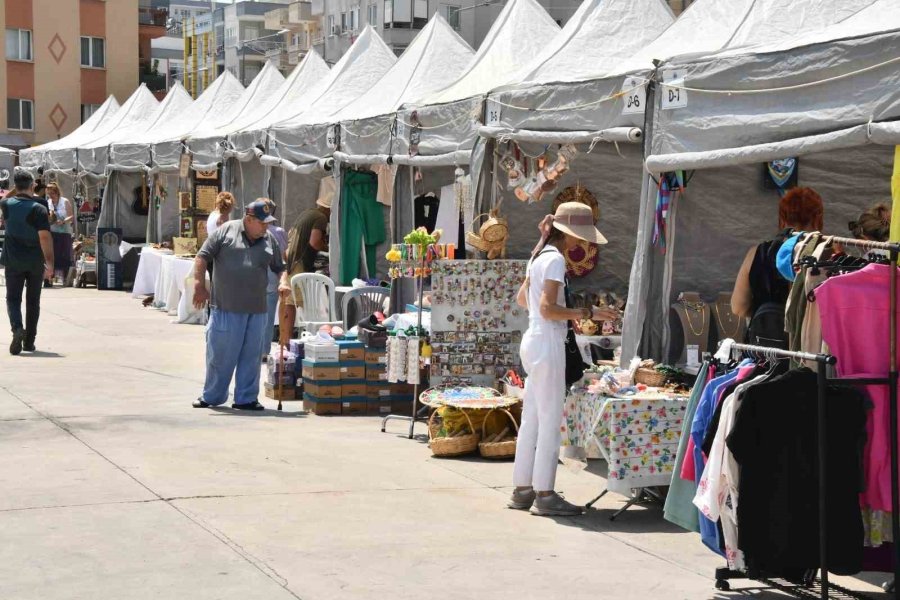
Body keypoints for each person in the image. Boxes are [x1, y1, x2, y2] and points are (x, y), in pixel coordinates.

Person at [509, 202, 617, 516]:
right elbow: (546, 308)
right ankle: (544, 494)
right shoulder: (554, 259)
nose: (582, 242)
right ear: (568, 233)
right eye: (580, 235)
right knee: (549, 419)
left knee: (532, 418)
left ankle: (523, 489)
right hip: (547, 341)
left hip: (533, 340)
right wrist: (586, 313)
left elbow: (522, 300)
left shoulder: (539, 256)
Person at [191, 200, 287, 411]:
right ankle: (212, 396)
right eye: (262, 223)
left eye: (268, 223)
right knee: (221, 355)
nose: (266, 227)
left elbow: (281, 267)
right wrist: (199, 285)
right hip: (226, 307)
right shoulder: (225, 231)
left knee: (252, 357)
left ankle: (246, 399)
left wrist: (283, 280)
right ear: (249, 219)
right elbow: (202, 257)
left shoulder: (269, 239)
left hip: (257, 310)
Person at [730, 186, 824, 320]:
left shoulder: (757, 253)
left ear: (782, 218)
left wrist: (768, 317)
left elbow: (738, 307)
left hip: (764, 337)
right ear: (817, 217)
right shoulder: (828, 253)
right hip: (810, 339)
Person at [0, 170, 54, 355]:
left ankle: (17, 329)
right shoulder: (39, 208)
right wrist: (50, 263)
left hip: (13, 260)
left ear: (16, 186)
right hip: (34, 261)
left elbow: (8, 196)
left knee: (13, 299)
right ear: (32, 186)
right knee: (33, 301)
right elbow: (45, 238)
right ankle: (29, 342)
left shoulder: (6, 204)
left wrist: (18, 188)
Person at [277, 190, 331, 334]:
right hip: (300, 262)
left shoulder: (308, 213)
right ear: (329, 208)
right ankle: (295, 339)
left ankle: (285, 339)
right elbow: (314, 243)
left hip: (292, 259)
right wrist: (329, 247)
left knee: (289, 301)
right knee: (297, 303)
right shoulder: (321, 218)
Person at [262, 199, 288, 362]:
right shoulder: (278, 231)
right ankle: (264, 350)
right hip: (272, 274)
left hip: (256, 275)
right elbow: (284, 255)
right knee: (268, 315)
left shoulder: (248, 230)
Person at [47, 183, 74, 285]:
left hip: (65, 232)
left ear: (57, 192)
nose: (51, 196)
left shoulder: (65, 201)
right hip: (52, 232)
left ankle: (66, 279)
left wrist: (63, 221)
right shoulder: (48, 202)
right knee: (53, 254)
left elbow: (71, 216)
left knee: (65, 254)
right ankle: (51, 278)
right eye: (49, 194)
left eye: (52, 193)